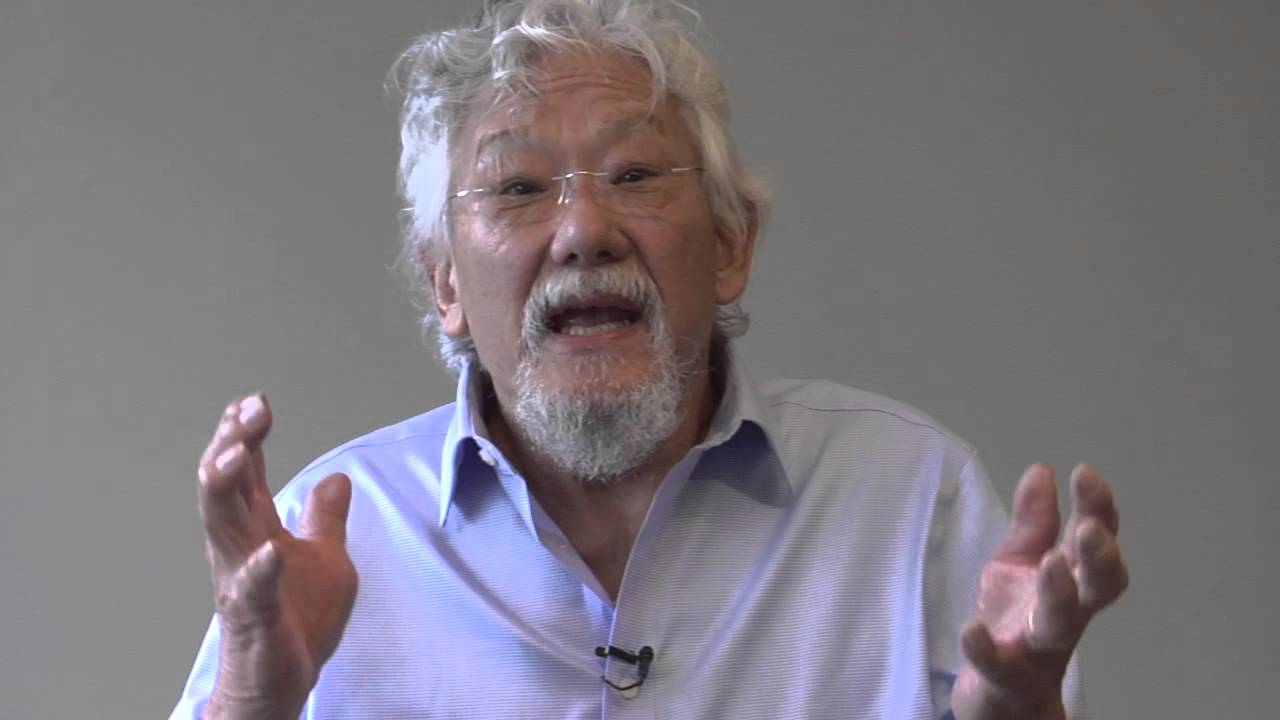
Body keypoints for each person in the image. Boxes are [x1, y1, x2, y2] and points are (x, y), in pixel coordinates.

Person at [171, 1, 1129, 718]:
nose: (585, 229)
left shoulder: (913, 499)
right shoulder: (331, 537)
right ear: (445, 283)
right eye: (518, 188)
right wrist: (252, 701)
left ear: (730, 243)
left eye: (634, 175)